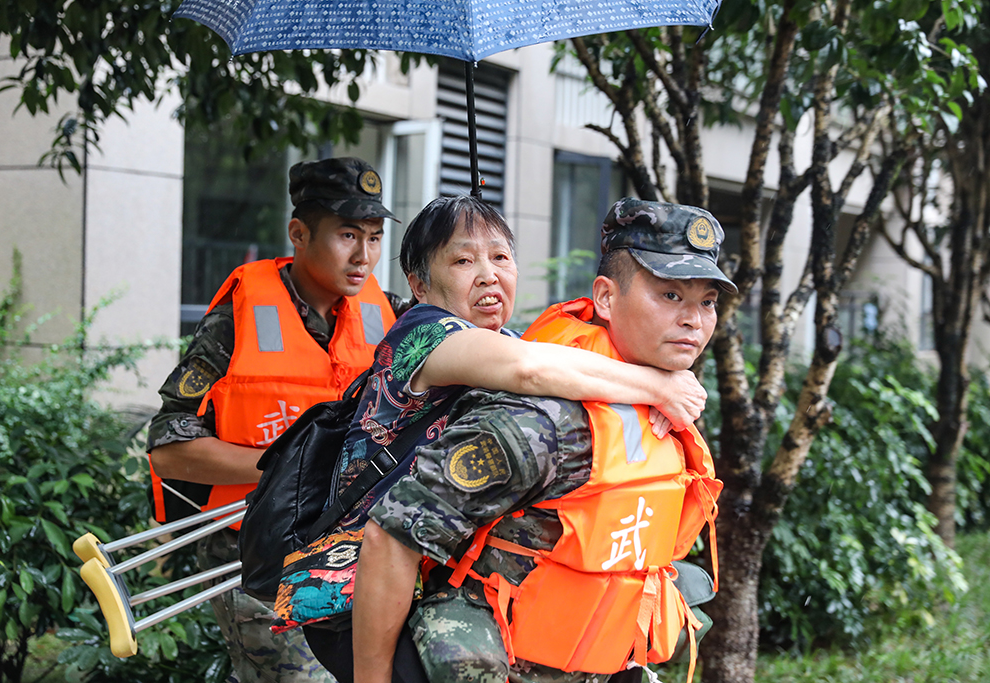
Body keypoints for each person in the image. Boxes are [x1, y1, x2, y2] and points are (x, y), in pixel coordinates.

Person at [271, 195, 711, 683]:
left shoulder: (506, 341)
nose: (488, 275)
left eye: (500, 257)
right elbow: (530, 368)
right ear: (418, 285)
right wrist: (660, 386)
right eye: (463, 260)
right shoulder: (422, 334)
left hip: (417, 574)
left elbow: (556, 360)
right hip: (357, 586)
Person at [146, 157, 404, 683]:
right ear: (299, 234)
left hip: (355, 552)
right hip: (255, 553)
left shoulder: (394, 313)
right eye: (348, 235)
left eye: (375, 238)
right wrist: (284, 469)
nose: (364, 256)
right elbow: (168, 448)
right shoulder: (238, 315)